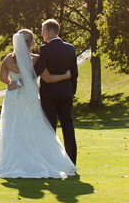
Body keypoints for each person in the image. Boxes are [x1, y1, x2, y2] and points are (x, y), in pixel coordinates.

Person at [0, 28, 78, 179]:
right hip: (30, 96)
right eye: (34, 39)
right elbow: (44, 76)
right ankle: (46, 159)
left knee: (13, 127)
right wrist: (66, 76)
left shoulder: (8, 59)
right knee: (33, 126)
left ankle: (13, 158)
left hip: (13, 97)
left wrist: (12, 83)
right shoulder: (35, 59)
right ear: (30, 43)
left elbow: (3, 77)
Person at [33, 18, 79, 165]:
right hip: (66, 92)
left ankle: (50, 162)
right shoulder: (70, 48)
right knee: (68, 126)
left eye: (43, 31)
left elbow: (38, 70)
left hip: (49, 94)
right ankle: (72, 162)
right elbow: (74, 73)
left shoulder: (45, 49)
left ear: (50, 31)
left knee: (50, 128)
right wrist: (72, 91)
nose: (41, 35)